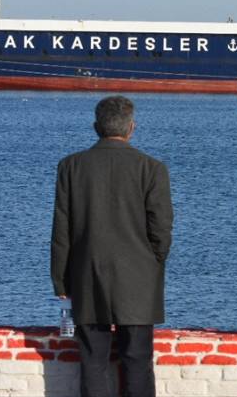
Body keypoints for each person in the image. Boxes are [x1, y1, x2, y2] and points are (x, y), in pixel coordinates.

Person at [51, 96, 173, 397]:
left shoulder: (71, 166)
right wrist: (152, 263)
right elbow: (161, 229)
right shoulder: (152, 168)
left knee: (93, 361)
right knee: (138, 361)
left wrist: (60, 279)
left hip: (87, 274)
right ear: (132, 128)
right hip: (139, 278)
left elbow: (61, 229)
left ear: (96, 127)